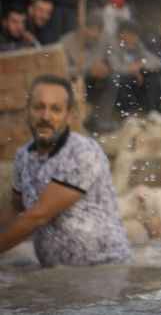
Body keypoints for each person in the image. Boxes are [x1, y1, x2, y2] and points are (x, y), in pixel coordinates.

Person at [0, 75, 132, 267]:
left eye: (55, 109)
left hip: (104, 271)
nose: (45, 116)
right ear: (27, 111)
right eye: (39, 107)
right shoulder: (23, 156)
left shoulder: (83, 152)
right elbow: (16, 209)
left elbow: (37, 216)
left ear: (69, 115)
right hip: (56, 273)